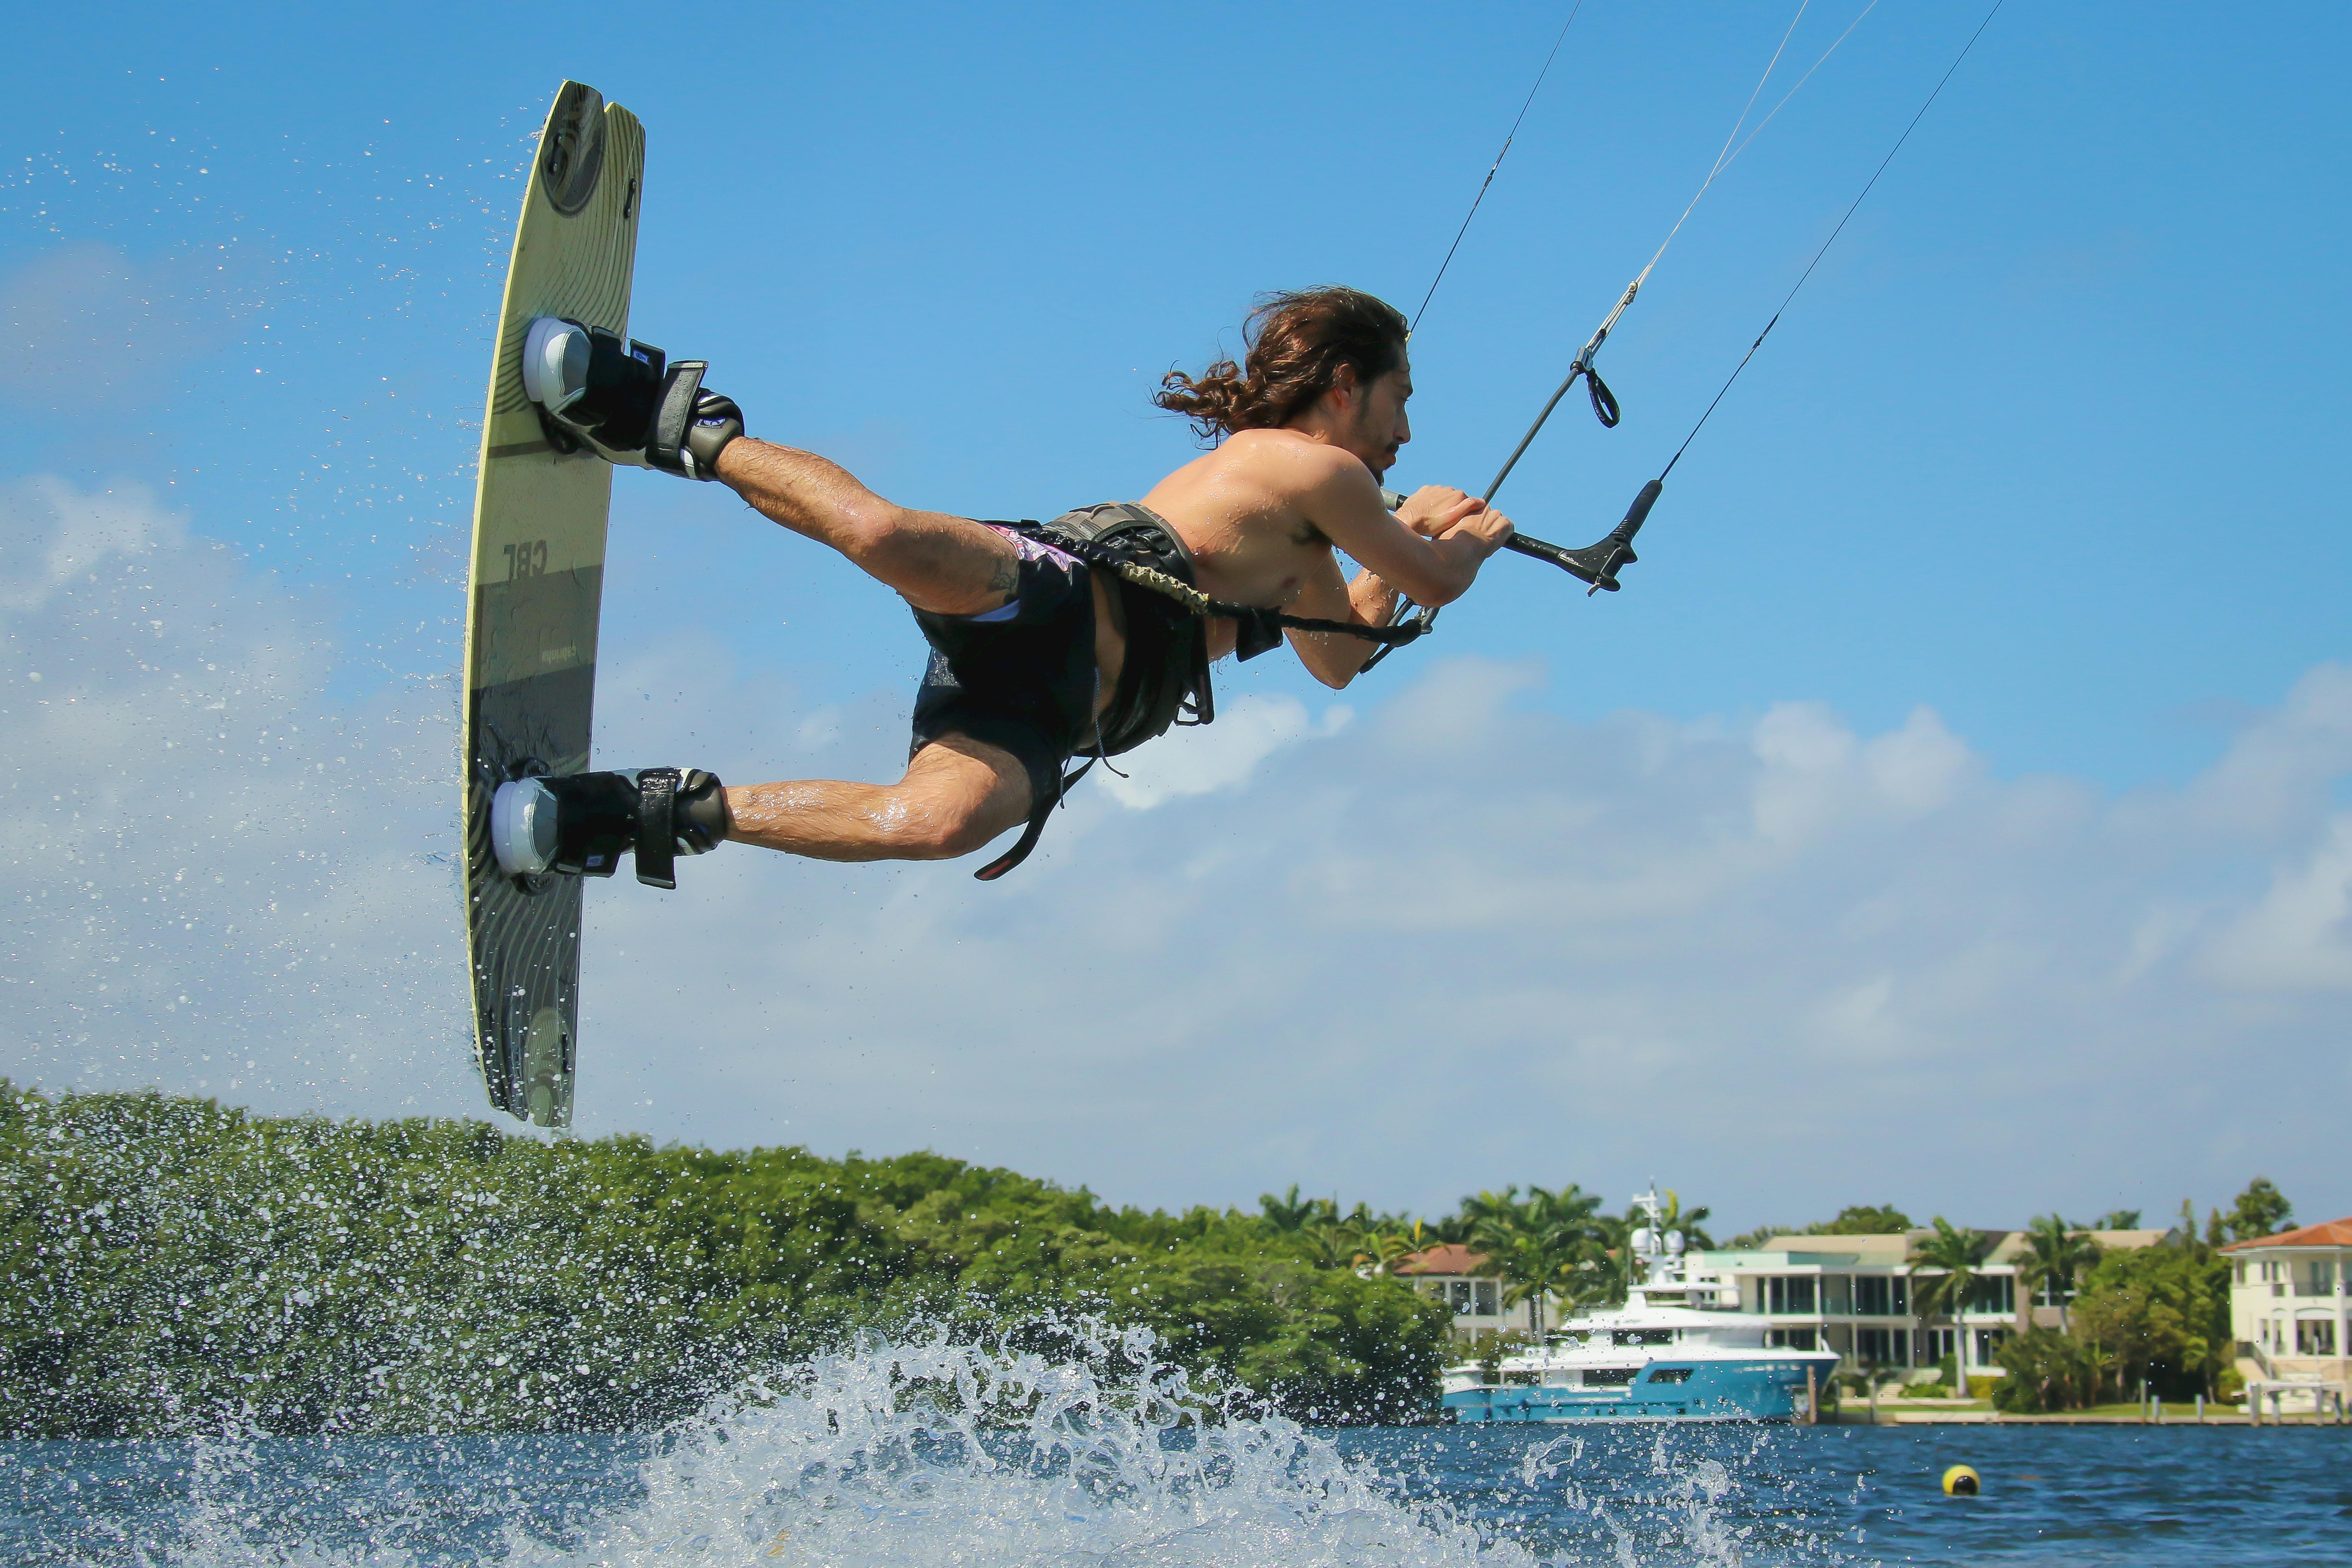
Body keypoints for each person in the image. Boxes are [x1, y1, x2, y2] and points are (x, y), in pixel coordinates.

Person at [489, 286, 1515, 885]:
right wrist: (1454, 542)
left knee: (924, 827)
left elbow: (1338, 656)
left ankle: (625, 813)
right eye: (1400, 400)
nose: (1406, 433)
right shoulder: (1313, 466)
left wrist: (1405, 560)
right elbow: (1434, 580)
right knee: (881, 531)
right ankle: (650, 412)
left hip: (1051, 710)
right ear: (1346, 385)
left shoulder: (1311, 550)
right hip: (1057, 595)